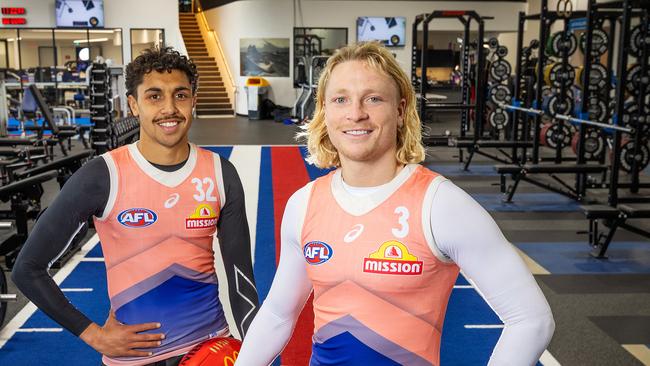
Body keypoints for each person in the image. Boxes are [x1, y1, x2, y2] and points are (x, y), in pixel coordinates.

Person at [235, 42, 554, 366]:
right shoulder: (304, 204)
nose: (356, 112)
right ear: (325, 111)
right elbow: (277, 314)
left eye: (373, 98)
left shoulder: (441, 205)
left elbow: (532, 320)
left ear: (400, 110)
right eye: (341, 99)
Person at [12, 47, 259, 366]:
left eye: (180, 95)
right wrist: (93, 335)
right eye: (154, 96)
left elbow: (242, 280)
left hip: (207, 351)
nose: (169, 108)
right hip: (133, 359)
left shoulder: (220, 172)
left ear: (194, 100)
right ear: (133, 104)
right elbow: (27, 267)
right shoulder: (102, 175)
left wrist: (254, 353)